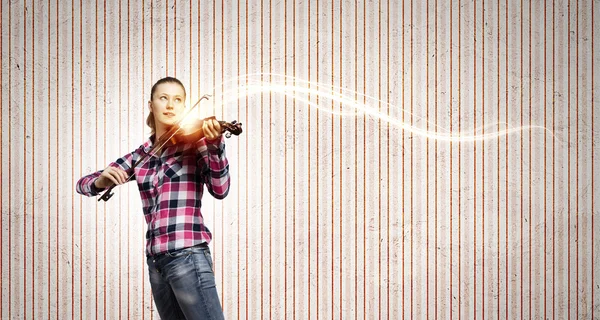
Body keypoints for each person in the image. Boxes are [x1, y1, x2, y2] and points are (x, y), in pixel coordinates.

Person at [76, 76, 229, 320]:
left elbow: (220, 189)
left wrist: (215, 145)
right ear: (151, 105)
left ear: (183, 106)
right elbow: (82, 184)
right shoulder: (142, 154)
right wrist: (100, 181)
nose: (170, 105)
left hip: (187, 255)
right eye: (163, 98)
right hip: (156, 264)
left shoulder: (195, 143)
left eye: (178, 100)